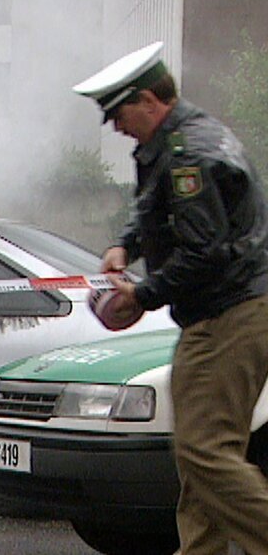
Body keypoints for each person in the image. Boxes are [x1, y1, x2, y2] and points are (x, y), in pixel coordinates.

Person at [73, 41, 268, 554]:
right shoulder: (181, 140)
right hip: (225, 311)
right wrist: (125, 243)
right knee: (199, 458)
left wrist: (143, 292)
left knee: (206, 452)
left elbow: (205, 253)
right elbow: (153, 205)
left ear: (148, 101)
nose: (116, 127)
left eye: (118, 114)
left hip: (229, 315)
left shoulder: (189, 156)